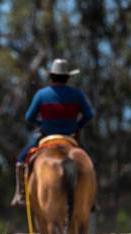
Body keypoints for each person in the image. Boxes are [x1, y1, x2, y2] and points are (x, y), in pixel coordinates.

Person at [11, 59, 94, 206]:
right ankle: (91, 199)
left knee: (21, 159)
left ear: (51, 77)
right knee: (87, 163)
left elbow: (29, 117)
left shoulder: (42, 94)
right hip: (70, 137)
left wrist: (42, 125)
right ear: (68, 77)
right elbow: (89, 115)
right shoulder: (77, 94)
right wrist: (77, 126)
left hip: (46, 136)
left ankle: (21, 194)